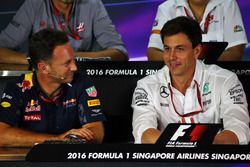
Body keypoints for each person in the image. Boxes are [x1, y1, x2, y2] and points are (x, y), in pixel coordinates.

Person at [132, 16, 250, 144]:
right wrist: (190, 145)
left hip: (212, 160)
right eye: (167, 49)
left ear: (197, 51)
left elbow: (238, 130)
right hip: (167, 162)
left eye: (179, 49)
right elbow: (143, 132)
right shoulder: (146, 86)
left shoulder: (226, 80)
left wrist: (197, 149)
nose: (171, 57)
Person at [0, 28, 106, 147]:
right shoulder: (18, 88)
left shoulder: (82, 82)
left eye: (73, 60)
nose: (74, 67)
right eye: (67, 63)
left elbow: (96, 132)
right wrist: (56, 140)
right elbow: (1, 135)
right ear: (44, 68)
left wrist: (71, 139)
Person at [0, 0, 128, 65]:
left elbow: (119, 53)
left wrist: (67, 58)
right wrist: (35, 59)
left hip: (83, 80)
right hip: (44, 81)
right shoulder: (34, 4)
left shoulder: (92, 4)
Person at [147, 0, 248, 61]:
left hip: (217, 76)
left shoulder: (228, 4)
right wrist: (182, 64)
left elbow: (235, 51)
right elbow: (153, 52)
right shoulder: (166, 8)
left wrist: (197, 66)